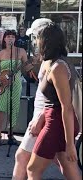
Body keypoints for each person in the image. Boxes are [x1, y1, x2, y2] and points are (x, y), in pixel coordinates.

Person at [26, 22, 81, 180]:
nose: (36, 42)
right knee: (67, 165)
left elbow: (66, 107)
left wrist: (70, 144)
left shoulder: (58, 68)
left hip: (57, 124)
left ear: (46, 41)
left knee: (32, 169)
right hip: (56, 121)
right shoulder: (53, 63)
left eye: (38, 39)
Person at [12, 18, 65, 180]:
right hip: (45, 116)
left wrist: (40, 117)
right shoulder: (49, 59)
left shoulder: (54, 63)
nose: (33, 41)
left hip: (46, 116)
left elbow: (58, 98)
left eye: (35, 37)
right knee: (62, 161)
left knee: (24, 159)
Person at [0, 29, 28, 145]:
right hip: (3, 84)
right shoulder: (0, 54)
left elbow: (26, 67)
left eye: (12, 37)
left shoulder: (21, 51)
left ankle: (11, 134)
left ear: (15, 39)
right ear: (4, 39)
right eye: (8, 36)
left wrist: (31, 64)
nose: (10, 38)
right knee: (0, 108)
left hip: (16, 84)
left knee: (14, 108)